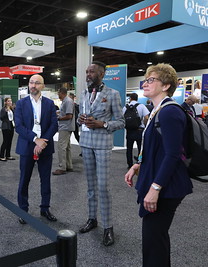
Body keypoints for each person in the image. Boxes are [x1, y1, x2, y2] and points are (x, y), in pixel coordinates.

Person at [125, 63, 193, 266]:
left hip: (166, 187)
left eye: (151, 80)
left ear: (166, 85)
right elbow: (157, 148)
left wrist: (155, 188)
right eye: (145, 80)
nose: (145, 83)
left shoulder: (169, 112)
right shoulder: (158, 110)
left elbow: (173, 155)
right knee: (155, 240)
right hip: (159, 180)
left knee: (155, 240)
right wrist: (138, 165)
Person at [78, 61, 125, 246]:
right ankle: (92, 219)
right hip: (86, 143)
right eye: (87, 71)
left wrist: (103, 124)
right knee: (90, 186)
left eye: (92, 72)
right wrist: (81, 120)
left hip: (103, 144)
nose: (88, 75)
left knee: (103, 187)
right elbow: (81, 117)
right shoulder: (83, 93)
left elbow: (121, 121)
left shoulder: (112, 94)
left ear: (102, 74)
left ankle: (108, 227)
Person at [15, 74, 58, 224]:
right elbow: (19, 127)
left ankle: (45, 208)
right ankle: (23, 210)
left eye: (37, 83)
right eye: (31, 82)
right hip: (27, 146)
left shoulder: (49, 103)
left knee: (45, 180)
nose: (33, 85)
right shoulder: (21, 103)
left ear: (43, 86)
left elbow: (54, 125)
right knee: (24, 180)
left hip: (45, 147)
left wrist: (42, 142)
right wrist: (35, 140)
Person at [122, 93, 149, 169]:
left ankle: (130, 164)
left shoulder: (125, 107)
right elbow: (146, 117)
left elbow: (122, 118)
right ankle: (140, 163)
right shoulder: (142, 106)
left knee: (129, 148)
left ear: (130, 98)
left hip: (129, 131)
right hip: (139, 130)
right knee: (141, 148)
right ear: (137, 98)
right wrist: (144, 124)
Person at [52, 87, 74, 175]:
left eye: (58, 93)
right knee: (67, 147)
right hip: (66, 127)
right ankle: (68, 165)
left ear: (62, 93)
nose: (58, 95)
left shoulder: (68, 101)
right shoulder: (66, 101)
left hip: (65, 127)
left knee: (61, 147)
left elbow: (69, 116)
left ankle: (62, 167)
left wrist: (59, 118)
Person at [0, 97, 15, 161]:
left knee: (10, 141)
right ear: (5, 102)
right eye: (8, 101)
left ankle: (8, 155)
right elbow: (1, 118)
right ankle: (1, 156)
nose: (10, 102)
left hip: (11, 125)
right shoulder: (3, 109)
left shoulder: (12, 109)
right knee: (5, 141)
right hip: (5, 126)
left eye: (10, 101)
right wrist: (6, 112)